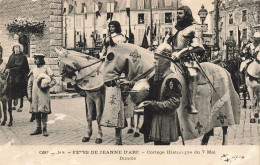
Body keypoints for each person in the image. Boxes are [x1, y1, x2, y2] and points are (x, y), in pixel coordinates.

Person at [140, 44, 182, 145]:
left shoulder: (172, 79)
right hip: (155, 118)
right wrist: (130, 84)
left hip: (165, 121)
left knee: (162, 148)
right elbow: (146, 85)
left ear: (165, 61)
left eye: (157, 59)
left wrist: (153, 104)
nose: (154, 61)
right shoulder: (156, 75)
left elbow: (174, 103)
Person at [168, 6, 205, 114]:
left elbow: (197, 45)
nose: (177, 16)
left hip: (187, 58)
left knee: (192, 74)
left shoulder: (194, 28)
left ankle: (191, 103)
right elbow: (166, 42)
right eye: (177, 13)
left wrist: (180, 53)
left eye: (180, 13)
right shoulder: (173, 28)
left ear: (186, 15)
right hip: (172, 57)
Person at [27, 53, 56, 136]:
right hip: (34, 93)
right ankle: (38, 128)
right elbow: (30, 83)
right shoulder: (33, 70)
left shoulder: (46, 69)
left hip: (43, 94)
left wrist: (48, 85)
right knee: (36, 112)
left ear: (41, 60)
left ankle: (44, 129)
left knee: (44, 112)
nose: (35, 60)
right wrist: (29, 94)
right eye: (34, 59)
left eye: (37, 59)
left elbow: (54, 81)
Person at [5, 43, 30, 112]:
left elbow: (21, 66)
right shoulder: (11, 56)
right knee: (8, 84)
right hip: (12, 73)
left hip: (20, 74)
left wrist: (11, 69)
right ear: (13, 48)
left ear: (20, 49)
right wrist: (7, 69)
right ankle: (14, 101)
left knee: (17, 82)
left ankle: (21, 105)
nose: (16, 49)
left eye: (17, 47)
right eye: (15, 47)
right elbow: (8, 64)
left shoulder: (23, 56)